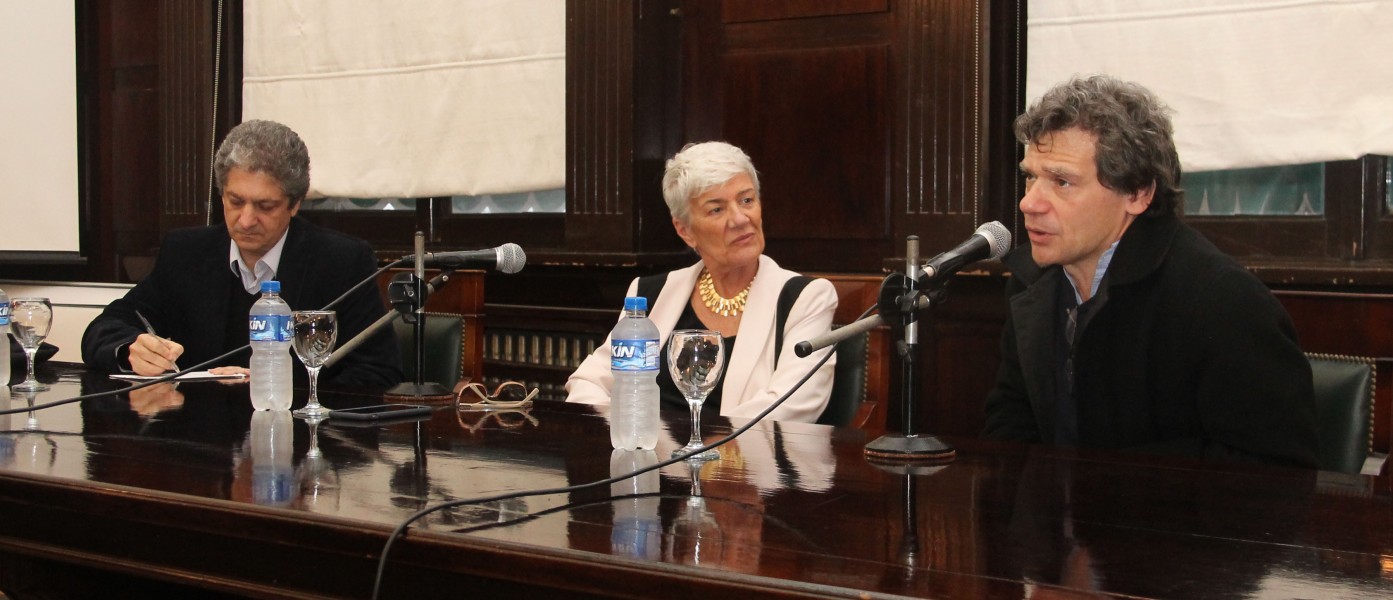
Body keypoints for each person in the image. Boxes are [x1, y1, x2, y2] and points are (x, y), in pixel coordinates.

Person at [982, 75, 1318, 467]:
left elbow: (1277, 470)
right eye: (1030, 177)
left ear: (1138, 193)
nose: (1029, 203)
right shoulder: (1030, 283)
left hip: (1161, 526)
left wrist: (1101, 490)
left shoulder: (1222, 300)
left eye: (1062, 182)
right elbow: (1009, 427)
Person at [81, 119, 402, 388]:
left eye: (265, 206)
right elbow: (106, 327)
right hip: (202, 446)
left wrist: (274, 383)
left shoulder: (340, 261)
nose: (246, 220)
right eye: (235, 202)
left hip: (297, 447)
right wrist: (131, 350)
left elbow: (379, 372)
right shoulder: (186, 253)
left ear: (294, 204)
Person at [566, 141, 838, 422]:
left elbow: (792, 405)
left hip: (746, 462)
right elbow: (590, 382)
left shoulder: (804, 298)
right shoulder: (653, 294)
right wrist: (630, 433)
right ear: (685, 230)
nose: (740, 218)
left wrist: (700, 449)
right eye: (716, 209)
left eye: (746, 200)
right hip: (650, 459)